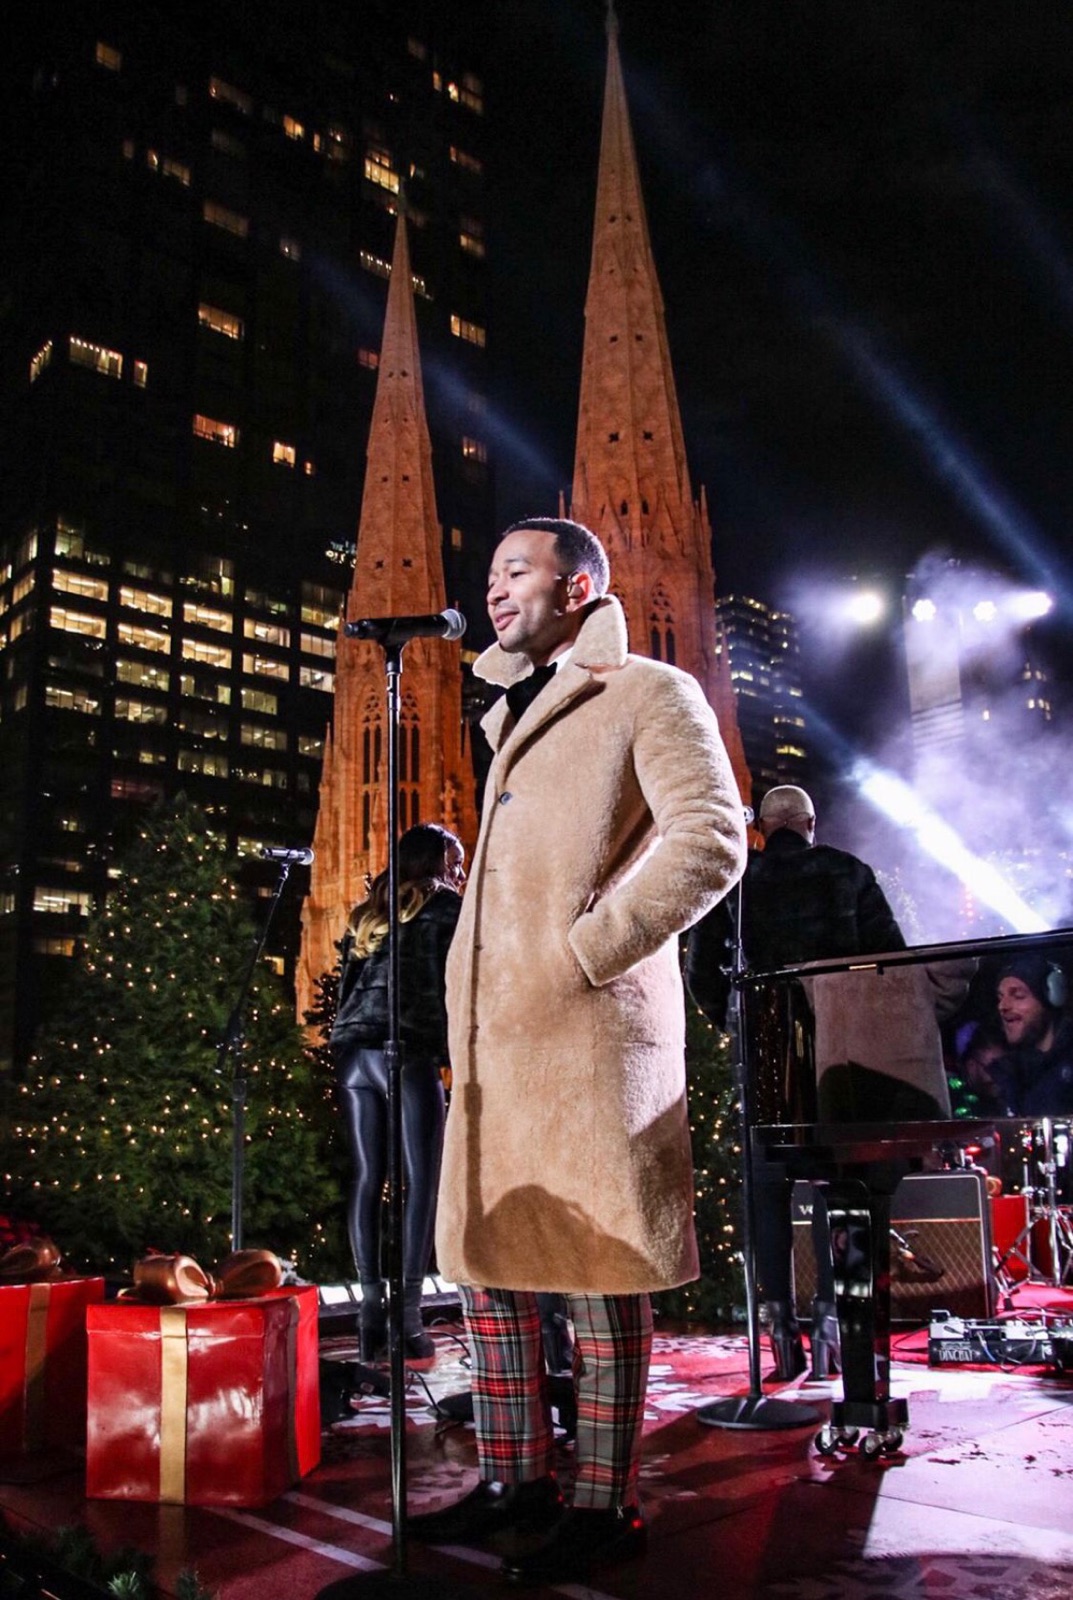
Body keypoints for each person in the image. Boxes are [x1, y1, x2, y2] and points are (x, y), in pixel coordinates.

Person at [407, 517, 746, 1586]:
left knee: (595, 1279)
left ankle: (603, 1501)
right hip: (499, 1049)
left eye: (516, 570)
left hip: (588, 1034)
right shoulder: (513, 708)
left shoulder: (646, 687)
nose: (495, 589)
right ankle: (515, 1480)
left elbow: (709, 836)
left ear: (579, 582)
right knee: (493, 1273)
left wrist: (584, 952)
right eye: (491, 573)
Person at [686, 784, 943, 1382]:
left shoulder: (738, 884)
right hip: (842, 1050)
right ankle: (837, 1324)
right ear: (809, 823)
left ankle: (781, 1336)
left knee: (766, 1190)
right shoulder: (848, 872)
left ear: (765, 828)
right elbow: (892, 961)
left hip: (766, 1052)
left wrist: (733, 1021)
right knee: (846, 1187)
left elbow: (701, 971)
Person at [330, 823, 465, 1365]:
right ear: (435, 862)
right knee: (422, 1180)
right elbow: (459, 981)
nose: (460, 868)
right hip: (406, 1050)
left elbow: (346, 991)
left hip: (355, 1053)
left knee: (367, 1179)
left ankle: (368, 1314)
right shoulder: (446, 907)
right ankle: (408, 1318)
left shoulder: (370, 912)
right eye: (454, 858)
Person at [987, 954, 1073, 1117]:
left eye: (1018, 995)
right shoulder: (1007, 1074)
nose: (1002, 1006)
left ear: (1052, 998)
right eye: (1000, 997)